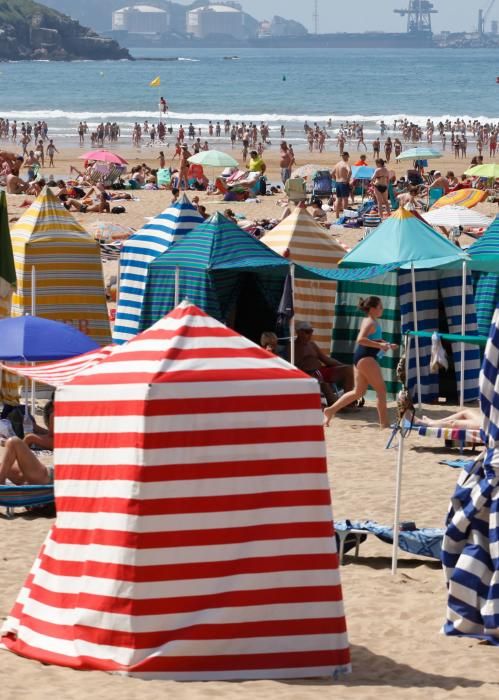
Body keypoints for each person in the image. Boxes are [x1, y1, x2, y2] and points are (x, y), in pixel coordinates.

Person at [324, 296, 397, 429]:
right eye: (380, 306)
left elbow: (373, 339)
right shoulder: (370, 322)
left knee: (358, 392)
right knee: (381, 390)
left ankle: (330, 410)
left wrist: (386, 344)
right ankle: (384, 424)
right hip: (366, 358)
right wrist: (380, 345)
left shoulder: (370, 321)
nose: (382, 309)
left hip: (361, 357)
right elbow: (360, 339)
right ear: (372, 309)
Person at [294, 321, 354, 406]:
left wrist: (343, 365)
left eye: (311, 331)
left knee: (348, 370)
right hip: (306, 374)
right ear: (298, 332)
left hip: (320, 371)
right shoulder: (292, 347)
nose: (310, 334)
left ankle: (348, 402)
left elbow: (326, 359)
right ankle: (337, 404)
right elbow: (291, 367)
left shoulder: (312, 345)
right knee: (321, 383)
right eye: (307, 332)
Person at [409, 409, 480, 431]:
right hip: (487, 420)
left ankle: (425, 423)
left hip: (487, 426)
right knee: (466, 412)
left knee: (453, 423)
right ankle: (435, 422)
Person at [331, 151, 351, 220]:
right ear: (346, 156)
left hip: (337, 183)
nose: (348, 158)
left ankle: (337, 215)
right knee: (345, 200)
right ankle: (345, 216)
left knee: (338, 199)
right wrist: (348, 180)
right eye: (348, 156)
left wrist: (335, 179)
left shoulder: (337, 164)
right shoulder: (346, 164)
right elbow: (350, 171)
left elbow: (332, 174)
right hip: (343, 183)